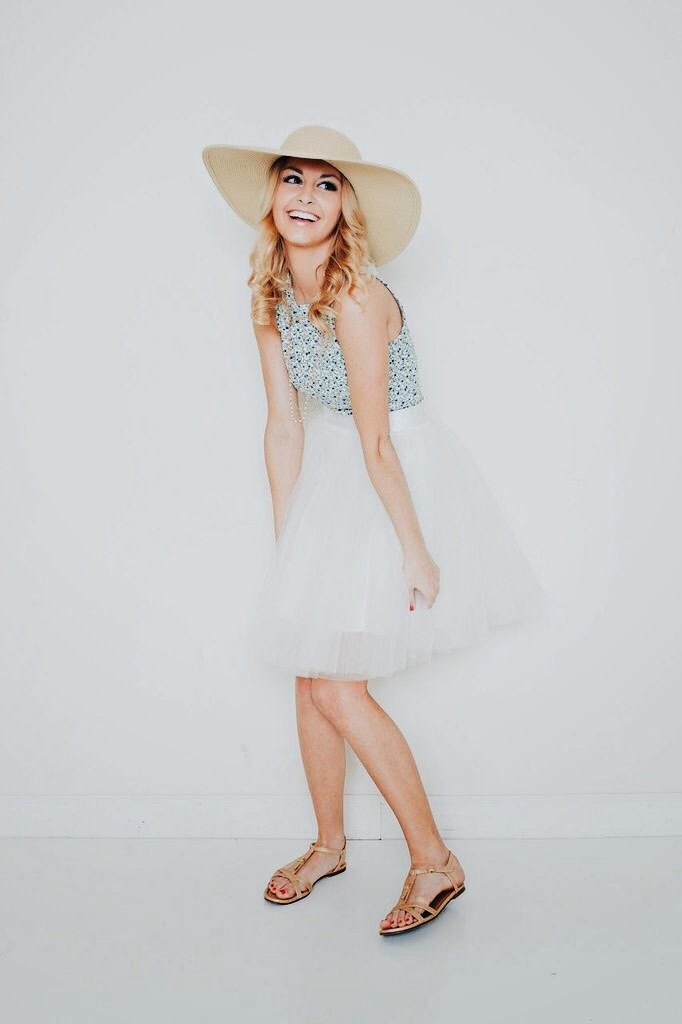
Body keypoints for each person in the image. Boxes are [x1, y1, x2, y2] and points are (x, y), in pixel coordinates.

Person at [202, 125, 547, 935]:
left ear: (346, 207)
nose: (306, 196)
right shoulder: (268, 293)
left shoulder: (357, 296)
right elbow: (283, 425)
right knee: (308, 673)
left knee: (338, 686)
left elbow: (378, 441)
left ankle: (434, 859)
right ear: (272, 195)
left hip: (393, 469)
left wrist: (415, 549)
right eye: (294, 178)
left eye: (326, 184)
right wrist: (289, 541)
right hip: (333, 465)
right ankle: (329, 845)